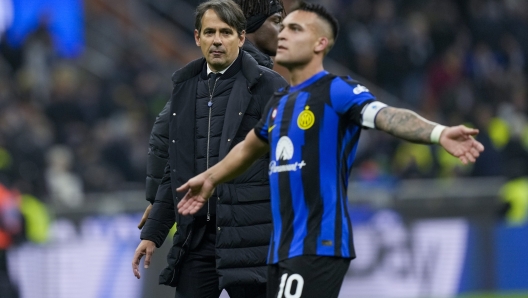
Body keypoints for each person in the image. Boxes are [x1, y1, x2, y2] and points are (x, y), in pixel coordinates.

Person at [175, 2, 485, 298]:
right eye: (283, 27)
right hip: (281, 248)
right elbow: (247, 150)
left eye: (296, 29)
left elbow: (386, 115)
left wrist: (439, 132)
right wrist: (210, 179)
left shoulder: (337, 90)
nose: (282, 33)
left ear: (320, 43)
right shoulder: (280, 103)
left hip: (318, 244)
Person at [132, 0, 287, 297]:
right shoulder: (185, 88)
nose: (217, 40)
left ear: (241, 37)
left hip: (250, 237)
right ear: (197, 37)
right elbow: (175, 167)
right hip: (199, 236)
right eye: (210, 32)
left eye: (226, 32)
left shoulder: (270, 85)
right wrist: (153, 233)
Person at [138, 0, 285, 221]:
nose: (282, 30)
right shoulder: (228, 73)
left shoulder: (260, 75)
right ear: (252, 26)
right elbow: (165, 133)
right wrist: (159, 202)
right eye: (276, 21)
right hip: (229, 217)